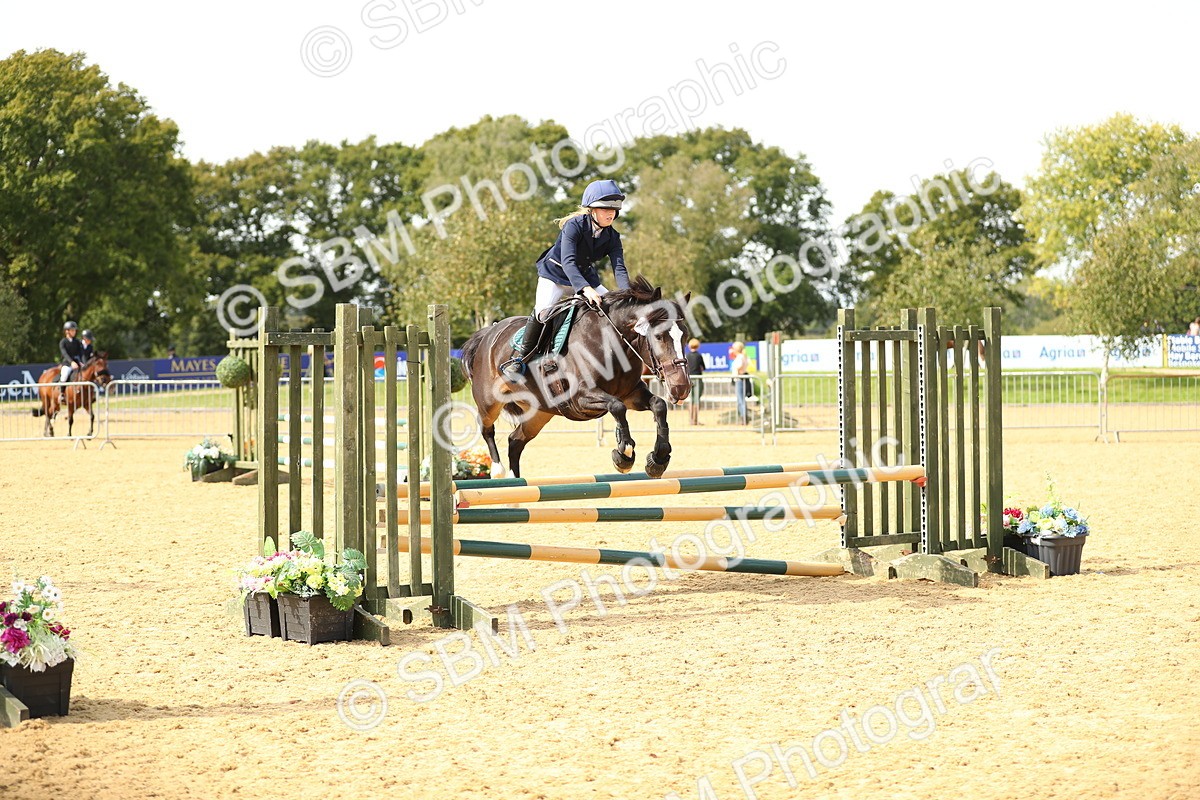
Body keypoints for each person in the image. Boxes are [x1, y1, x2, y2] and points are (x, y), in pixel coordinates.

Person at [501, 179, 631, 379]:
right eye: (605, 208)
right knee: (543, 313)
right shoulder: (574, 226)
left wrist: (627, 295)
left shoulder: (612, 237)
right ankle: (520, 358)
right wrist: (585, 289)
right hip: (555, 275)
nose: (610, 212)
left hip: (584, 277)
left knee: (613, 309)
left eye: (614, 208)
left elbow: (619, 268)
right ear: (591, 210)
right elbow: (568, 261)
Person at [57, 321, 85, 403]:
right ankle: (62, 394)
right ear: (67, 331)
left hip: (77, 363)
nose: (74, 332)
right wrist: (71, 362)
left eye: (75, 330)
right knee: (65, 374)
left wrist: (82, 362)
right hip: (67, 363)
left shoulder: (77, 342)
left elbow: (81, 353)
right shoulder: (63, 342)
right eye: (72, 330)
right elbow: (64, 354)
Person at [686, 338, 705, 425]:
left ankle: (690, 419)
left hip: (689, 378)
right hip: (697, 378)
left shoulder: (687, 355)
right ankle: (695, 420)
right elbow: (703, 367)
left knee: (691, 400)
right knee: (697, 400)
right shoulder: (698, 356)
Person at [730, 341, 750, 425]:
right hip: (739, 379)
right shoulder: (742, 356)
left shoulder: (740, 357)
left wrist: (738, 372)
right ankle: (743, 417)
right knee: (740, 399)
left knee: (741, 400)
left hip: (739, 379)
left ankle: (744, 417)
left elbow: (740, 366)